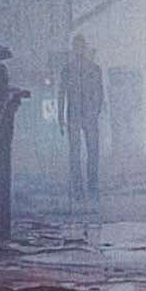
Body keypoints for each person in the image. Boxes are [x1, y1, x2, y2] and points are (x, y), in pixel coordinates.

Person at [61, 34, 104, 205]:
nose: (79, 50)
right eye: (76, 47)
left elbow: (100, 93)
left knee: (91, 152)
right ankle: (79, 189)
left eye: (81, 47)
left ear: (84, 48)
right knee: (76, 153)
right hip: (76, 116)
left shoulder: (94, 69)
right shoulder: (68, 70)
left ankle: (91, 186)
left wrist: (96, 111)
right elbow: (62, 93)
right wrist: (60, 116)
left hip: (87, 116)